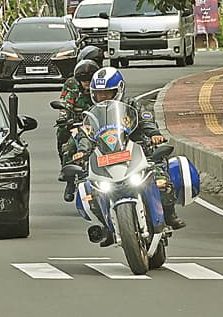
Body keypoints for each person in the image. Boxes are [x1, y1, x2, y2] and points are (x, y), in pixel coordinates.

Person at [76, 67, 186, 233]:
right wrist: (82, 151)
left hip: (137, 152)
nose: (103, 97)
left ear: (119, 90)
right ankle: (107, 227)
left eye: (107, 93)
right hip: (105, 158)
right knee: (92, 193)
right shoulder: (92, 114)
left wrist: (154, 134)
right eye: (99, 94)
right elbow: (85, 134)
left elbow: (146, 121)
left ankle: (170, 215)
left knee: (162, 181)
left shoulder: (132, 105)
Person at [57, 59, 99, 166]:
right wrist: (64, 117)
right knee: (68, 145)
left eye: (90, 80)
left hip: (100, 124)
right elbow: (66, 102)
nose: (87, 83)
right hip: (77, 124)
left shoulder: (102, 87)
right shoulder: (71, 85)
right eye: (84, 80)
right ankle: (67, 171)